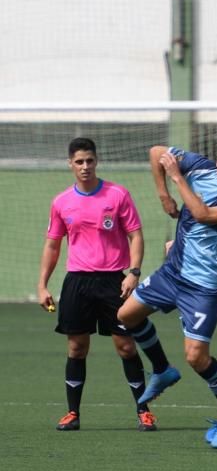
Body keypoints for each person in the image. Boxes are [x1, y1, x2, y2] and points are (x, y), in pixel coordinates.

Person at [117, 135, 217, 449]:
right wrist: (163, 195)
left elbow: (203, 215)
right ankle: (163, 369)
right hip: (173, 271)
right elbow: (156, 152)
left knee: (197, 357)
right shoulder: (203, 169)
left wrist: (177, 179)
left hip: (204, 285)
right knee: (126, 316)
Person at [37, 137, 156, 432]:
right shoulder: (61, 202)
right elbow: (52, 246)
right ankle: (72, 413)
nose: (85, 166)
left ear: (96, 161)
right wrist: (42, 285)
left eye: (89, 160)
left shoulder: (117, 194)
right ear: (70, 164)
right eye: (79, 162)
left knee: (126, 346)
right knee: (77, 348)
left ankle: (144, 410)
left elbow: (136, 236)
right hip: (77, 282)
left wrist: (134, 272)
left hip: (114, 281)